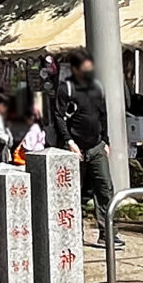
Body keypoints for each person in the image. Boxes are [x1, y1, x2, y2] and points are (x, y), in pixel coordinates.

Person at [53, 49, 118, 249]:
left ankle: (108, 233)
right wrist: (69, 141)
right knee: (73, 192)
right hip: (75, 148)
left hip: (97, 146)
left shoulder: (97, 87)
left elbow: (103, 115)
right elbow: (58, 117)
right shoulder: (66, 88)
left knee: (105, 189)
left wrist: (106, 140)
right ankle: (74, 234)